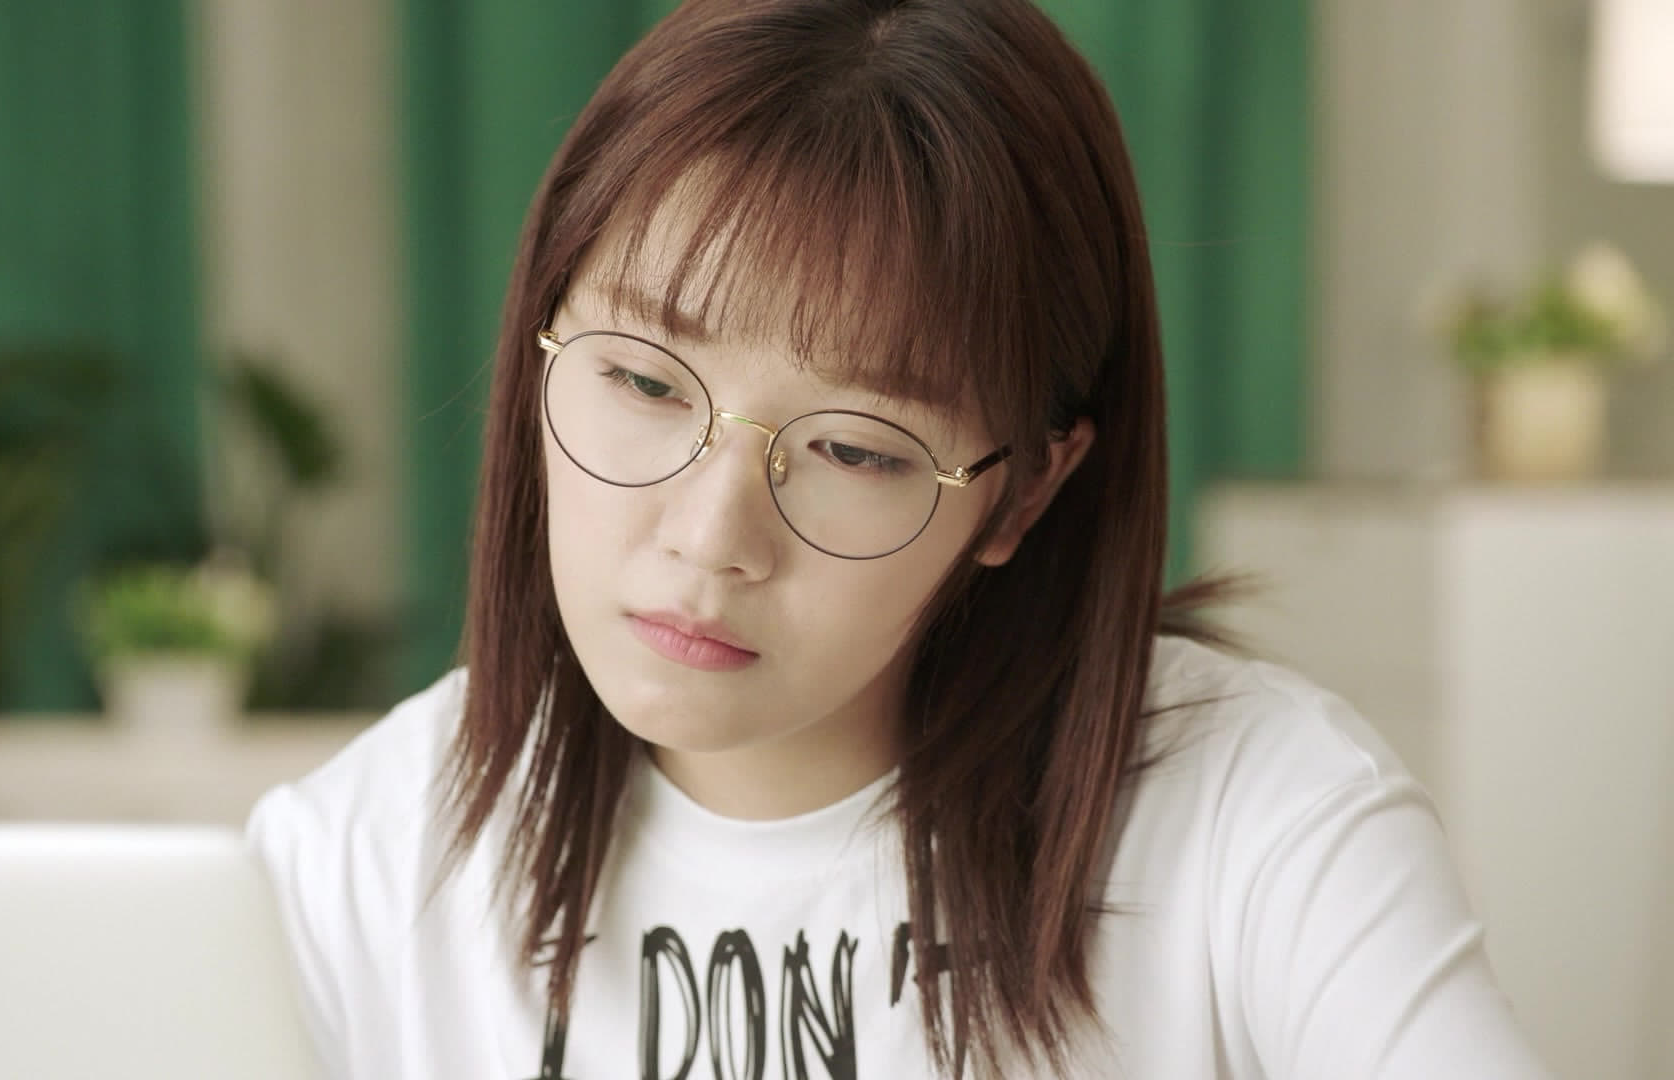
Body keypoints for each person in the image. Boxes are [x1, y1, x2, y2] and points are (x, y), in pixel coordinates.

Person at [247, 1, 1553, 1076]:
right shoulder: (364, 856)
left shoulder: (1259, 822)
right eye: (643, 382)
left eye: (857, 451)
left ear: (1022, 494)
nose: (711, 537)